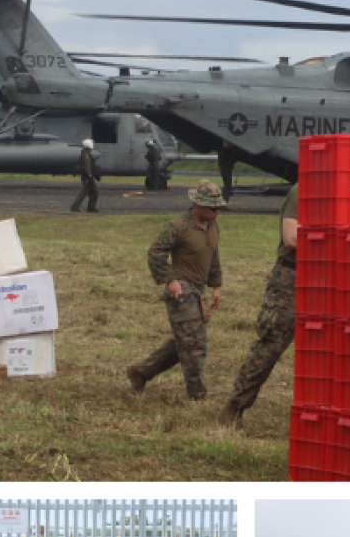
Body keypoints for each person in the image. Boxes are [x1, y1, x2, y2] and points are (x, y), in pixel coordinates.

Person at [128, 182, 226, 402]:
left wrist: (216, 285)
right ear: (198, 205)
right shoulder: (179, 226)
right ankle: (197, 395)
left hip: (199, 291)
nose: (216, 212)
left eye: (219, 208)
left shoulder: (212, 227)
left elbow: (213, 256)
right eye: (213, 208)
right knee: (194, 344)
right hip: (182, 292)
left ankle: (141, 372)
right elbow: (156, 252)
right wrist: (170, 280)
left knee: (184, 340)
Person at [220, 183, 299, 429]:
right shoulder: (303, 190)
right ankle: (235, 406)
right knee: (272, 342)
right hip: (292, 276)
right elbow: (291, 238)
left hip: (327, 275)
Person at [70, 139, 101, 213]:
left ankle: (91, 207)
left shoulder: (87, 154)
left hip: (88, 176)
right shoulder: (86, 155)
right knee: (84, 192)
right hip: (87, 176)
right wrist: (89, 174)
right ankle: (75, 206)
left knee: (94, 192)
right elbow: (87, 165)